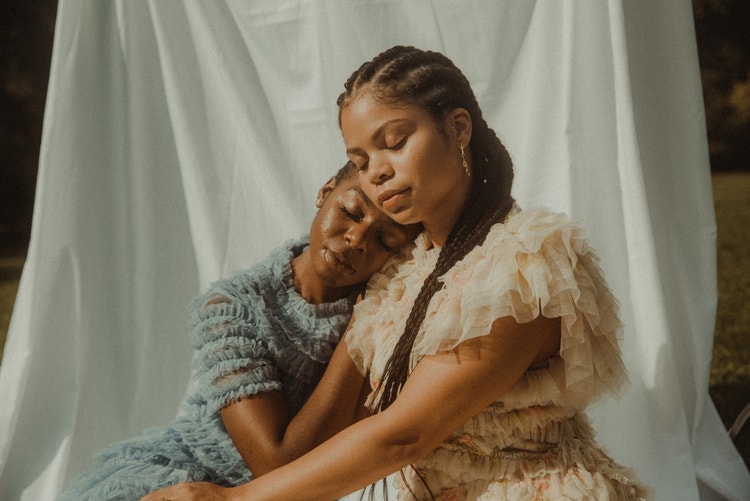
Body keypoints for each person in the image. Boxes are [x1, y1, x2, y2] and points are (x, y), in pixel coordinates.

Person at [143, 45, 650, 500]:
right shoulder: (402, 273)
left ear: (457, 128)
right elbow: (321, 443)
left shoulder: (521, 264)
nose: (377, 172)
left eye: (394, 141)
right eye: (361, 160)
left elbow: (405, 434)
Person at [56, 161, 421, 500]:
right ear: (325, 192)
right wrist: (361, 327)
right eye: (351, 212)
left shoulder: (396, 302)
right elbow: (278, 464)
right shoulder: (232, 307)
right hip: (191, 481)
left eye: (385, 241)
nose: (357, 239)